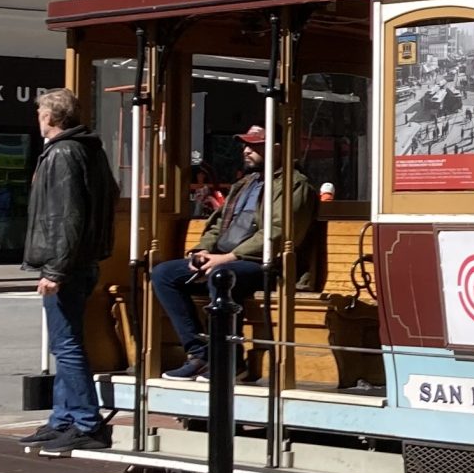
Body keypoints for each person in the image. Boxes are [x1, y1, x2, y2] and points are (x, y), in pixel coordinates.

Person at [150, 125, 314, 380]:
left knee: (222, 276)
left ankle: (231, 361)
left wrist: (227, 258)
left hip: (265, 265)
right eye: (245, 146)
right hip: (225, 261)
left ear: (277, 149)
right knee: (163, 274)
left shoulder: (295, 185)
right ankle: (200, 354)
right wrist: (202, 250)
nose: (246, 151)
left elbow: (280, 233)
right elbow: (217, 223)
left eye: (254, 146)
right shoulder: (245, 184)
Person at [21, 89, 118, 453]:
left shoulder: (63, 152)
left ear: (51, 117)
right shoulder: (89, 150)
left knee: (67, 345)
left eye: (41, 112)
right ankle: (62, 419)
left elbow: (66, 218)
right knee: (65, 345)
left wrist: (55, 270)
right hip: (82, 262)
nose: (39, 118)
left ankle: (86, 422)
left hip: (68, 265)